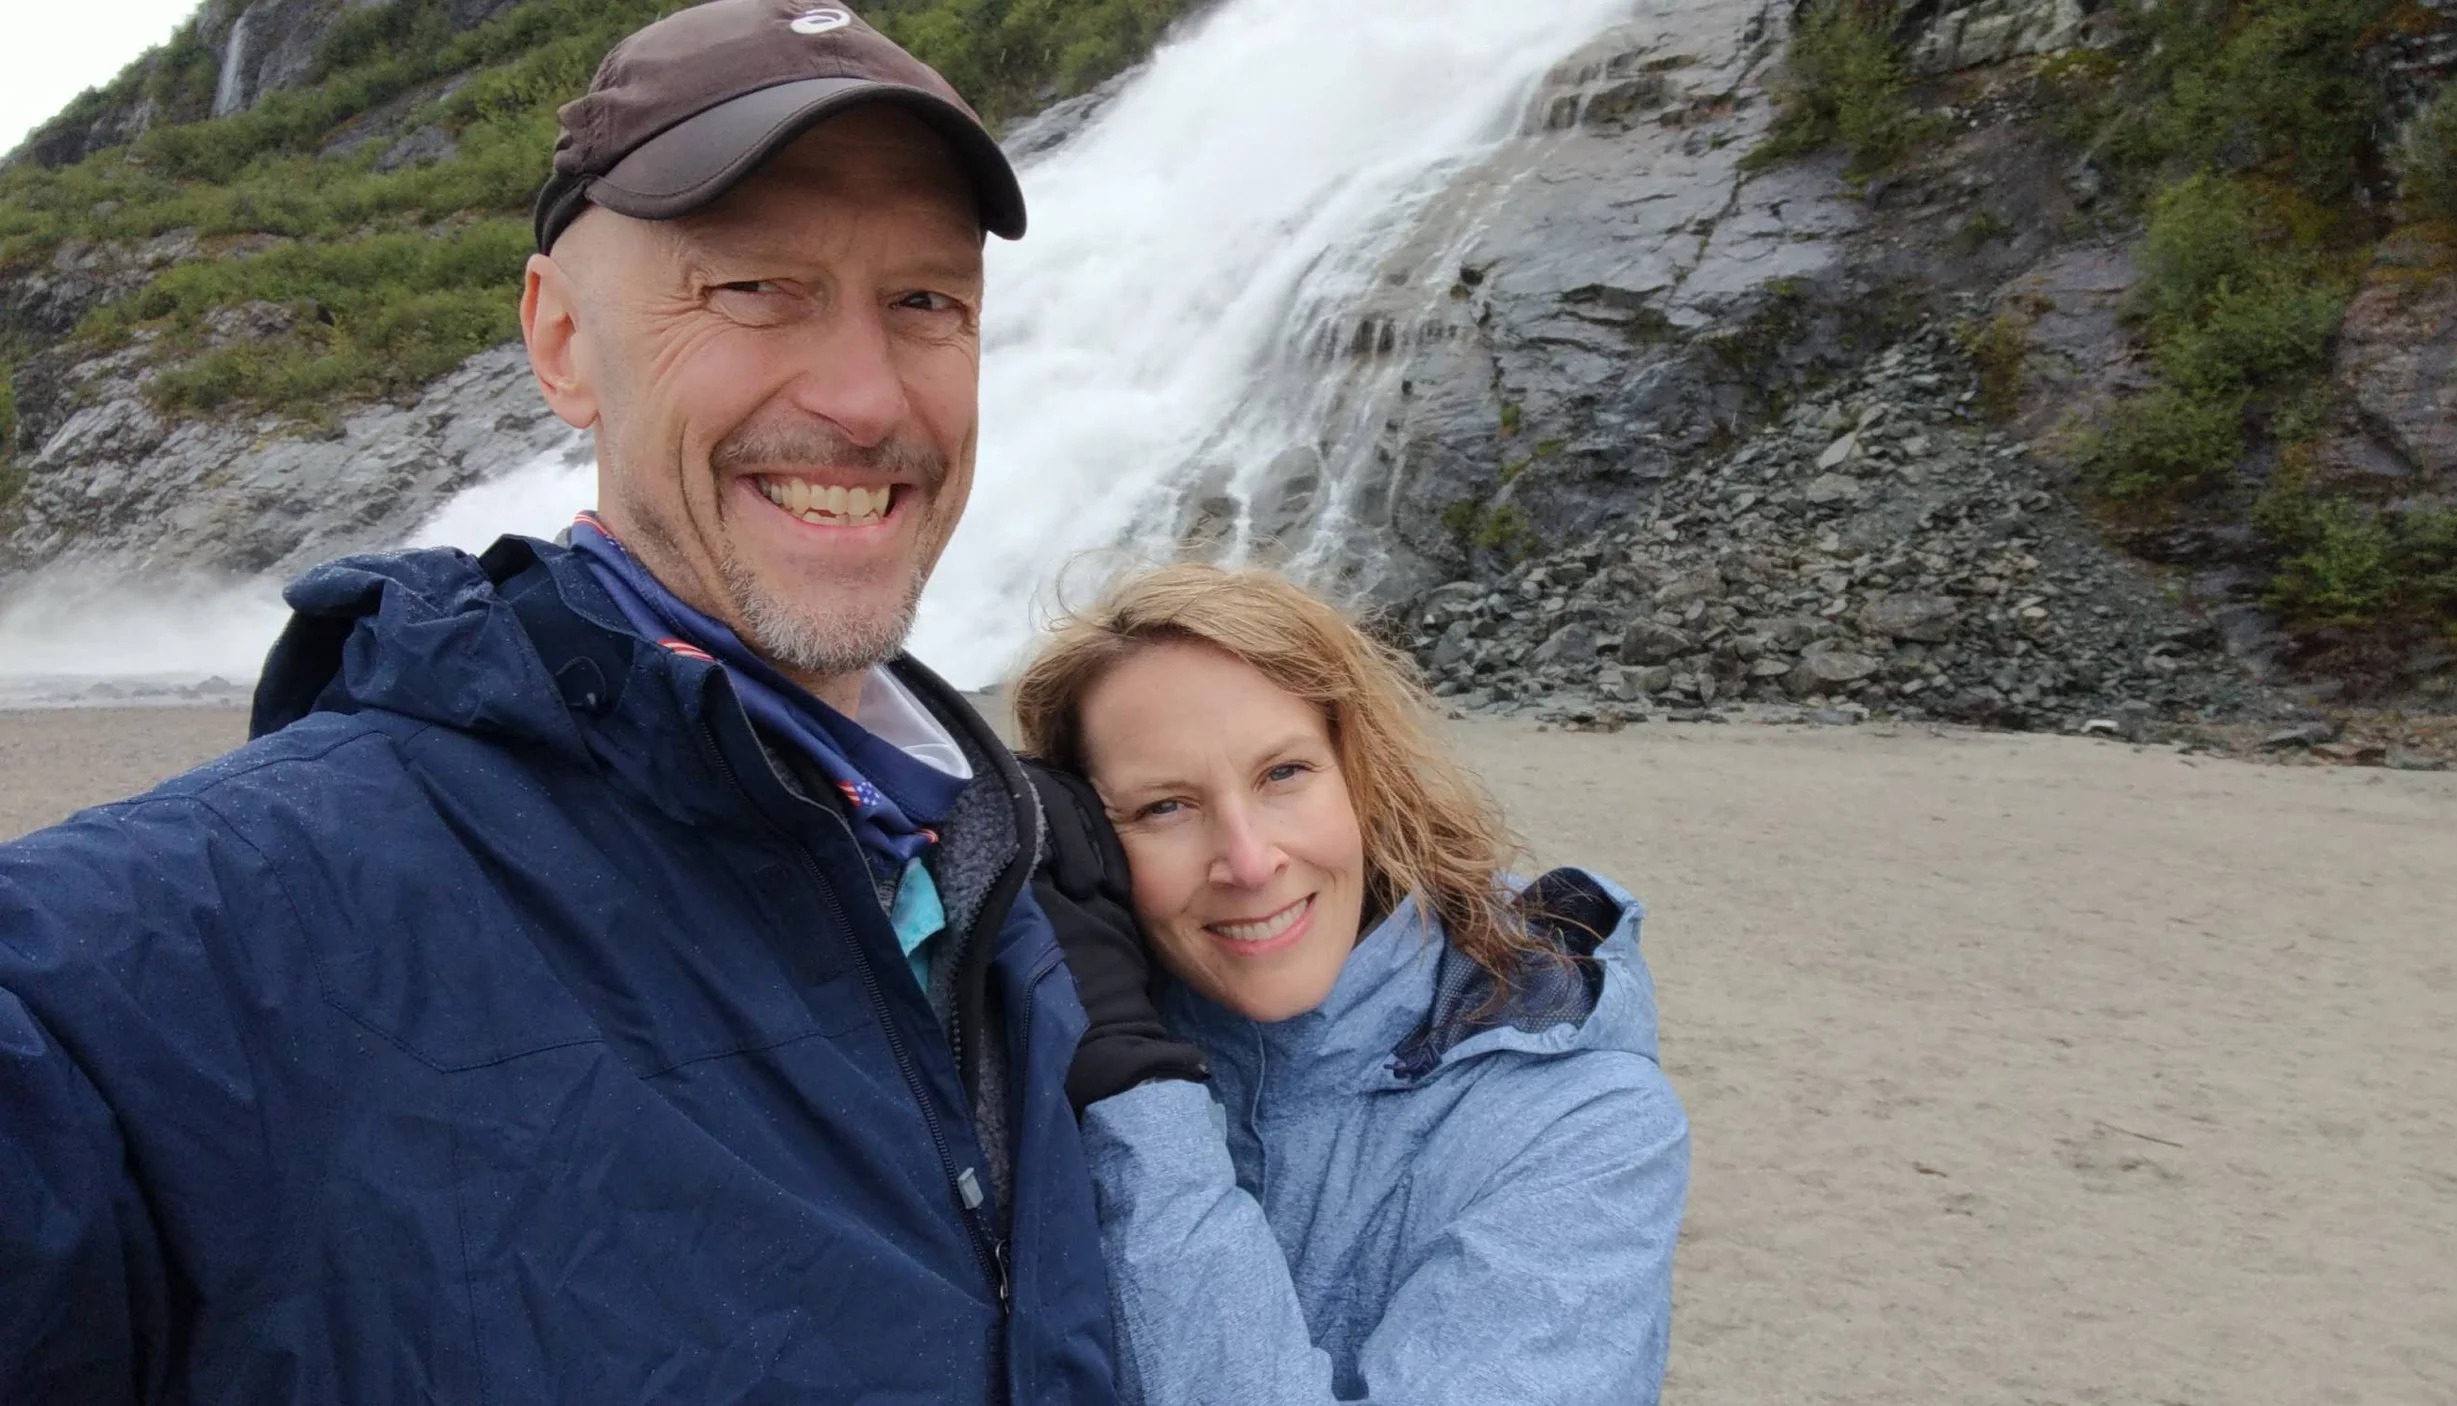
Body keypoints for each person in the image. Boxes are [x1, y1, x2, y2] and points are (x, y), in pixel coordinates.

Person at [0, 3, 1124, 1399]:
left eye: (927, 302)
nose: (860, 395)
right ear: (560, 340)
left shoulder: (1030, 872)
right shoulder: (162, 954)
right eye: (753, 288)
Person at [1010, 563, 1692, 1405]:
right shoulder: (1015, 1056)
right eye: (1164, 807)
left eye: (1284, 775)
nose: (1252, 863)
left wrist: (1134, 1086)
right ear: (1089, 844)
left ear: (1364, 778)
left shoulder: (1586, 1125)